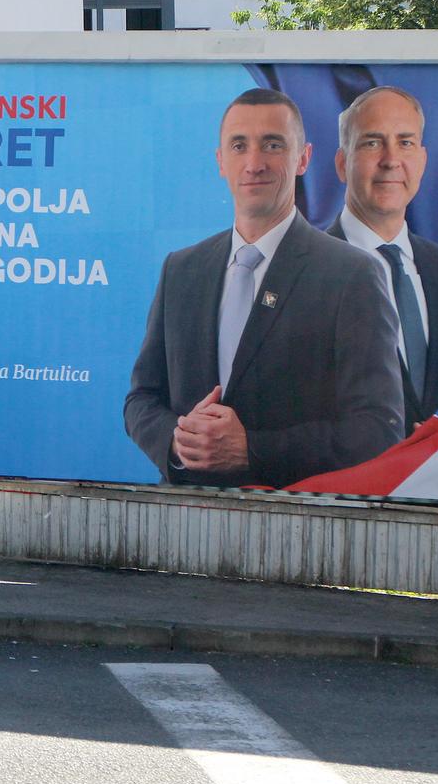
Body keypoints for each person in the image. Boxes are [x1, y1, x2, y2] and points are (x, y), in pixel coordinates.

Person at [125, 88, 405, 488]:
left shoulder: (352, 275)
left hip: (298, 528)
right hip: (186, 524)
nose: (254, 163)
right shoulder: (181, 270)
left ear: (303, 158)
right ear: (221, 161)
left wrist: (253, 448)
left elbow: (379, 429)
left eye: (272, 145)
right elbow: (142, 399)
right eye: (239, 146)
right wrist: (176, 442)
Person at [329, 85, 438, 433]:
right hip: (343, 485)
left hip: (437, 484)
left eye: (405, 142)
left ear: (421, 161)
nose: (391, 159)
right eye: (372, 142)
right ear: (343, 163)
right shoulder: (302, 270)